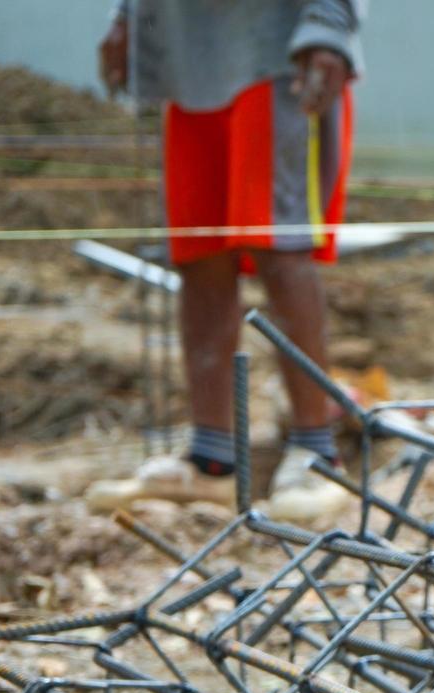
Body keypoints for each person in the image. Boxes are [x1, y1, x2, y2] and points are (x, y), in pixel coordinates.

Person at [85, 0, 365, 523]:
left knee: (281, 250)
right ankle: (211, 462)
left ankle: (316, 452)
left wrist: (329, 21)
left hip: (278, 53)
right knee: (199, 254)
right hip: (183, 62)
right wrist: (127, 18)